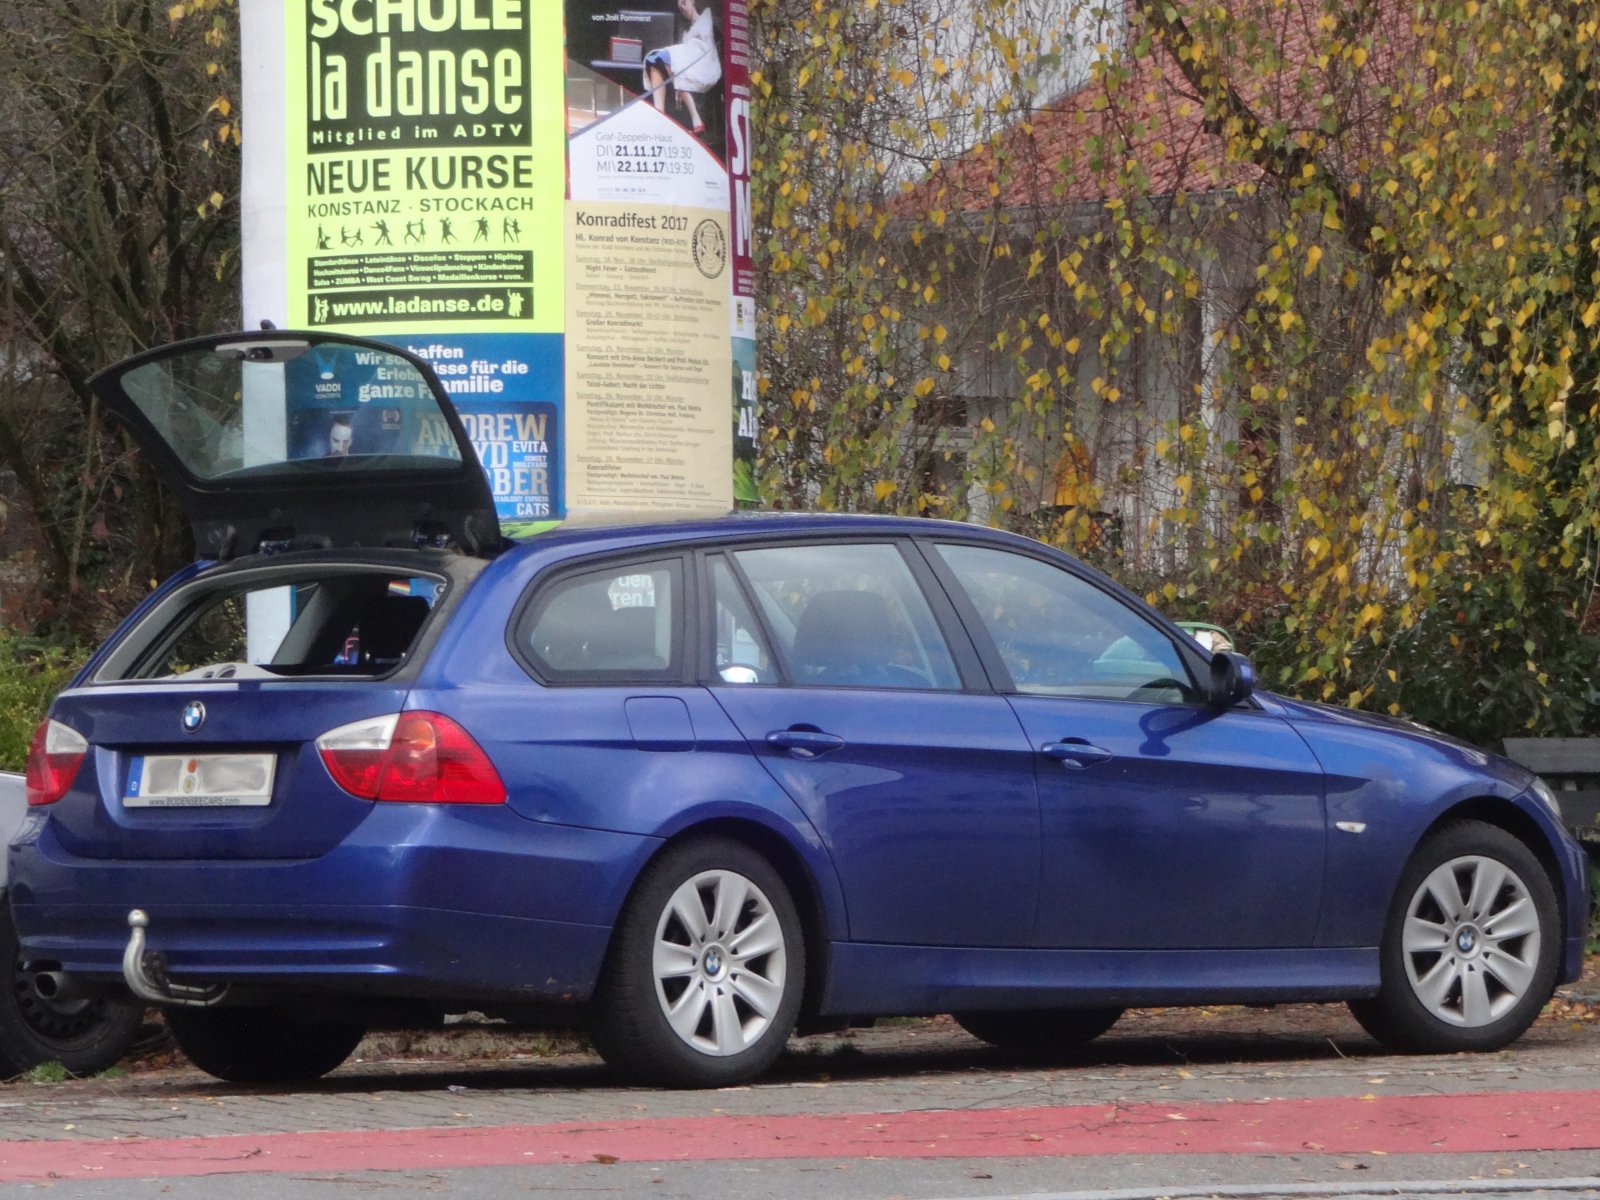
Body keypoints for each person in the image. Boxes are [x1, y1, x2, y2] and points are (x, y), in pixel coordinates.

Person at [642, 0, 720, 135]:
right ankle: (659, 114)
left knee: (669, 58)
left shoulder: (705, 19)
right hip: (689, 61)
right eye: (680, 6)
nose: (683, 8)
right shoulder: (688, 28)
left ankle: (695, 120)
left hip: (704, 63)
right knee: (654, 59)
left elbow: (704, 46)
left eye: (684, 3)